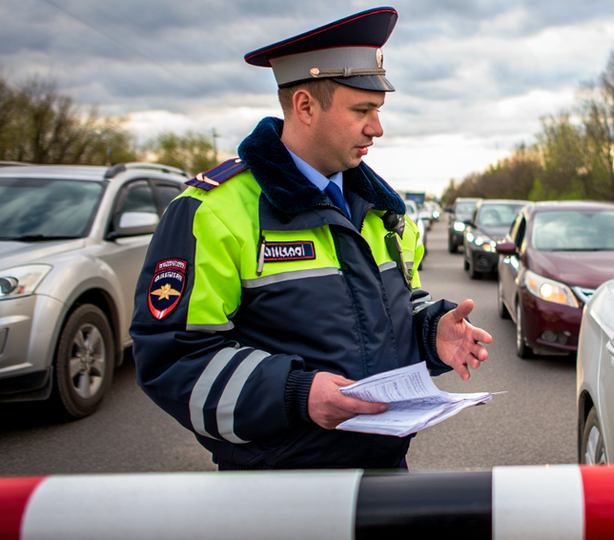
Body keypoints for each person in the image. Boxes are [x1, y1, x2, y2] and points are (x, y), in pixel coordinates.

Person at [130, 7, 492, 470]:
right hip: (275, 493)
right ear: (304, 106)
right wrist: (298, 395)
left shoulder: (384, 213)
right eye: (363, 110)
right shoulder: (211, 211)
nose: (377, 128)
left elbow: (388, 312)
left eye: (377, 111)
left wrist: (429, 331)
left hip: (385, 472)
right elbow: (172, 359)